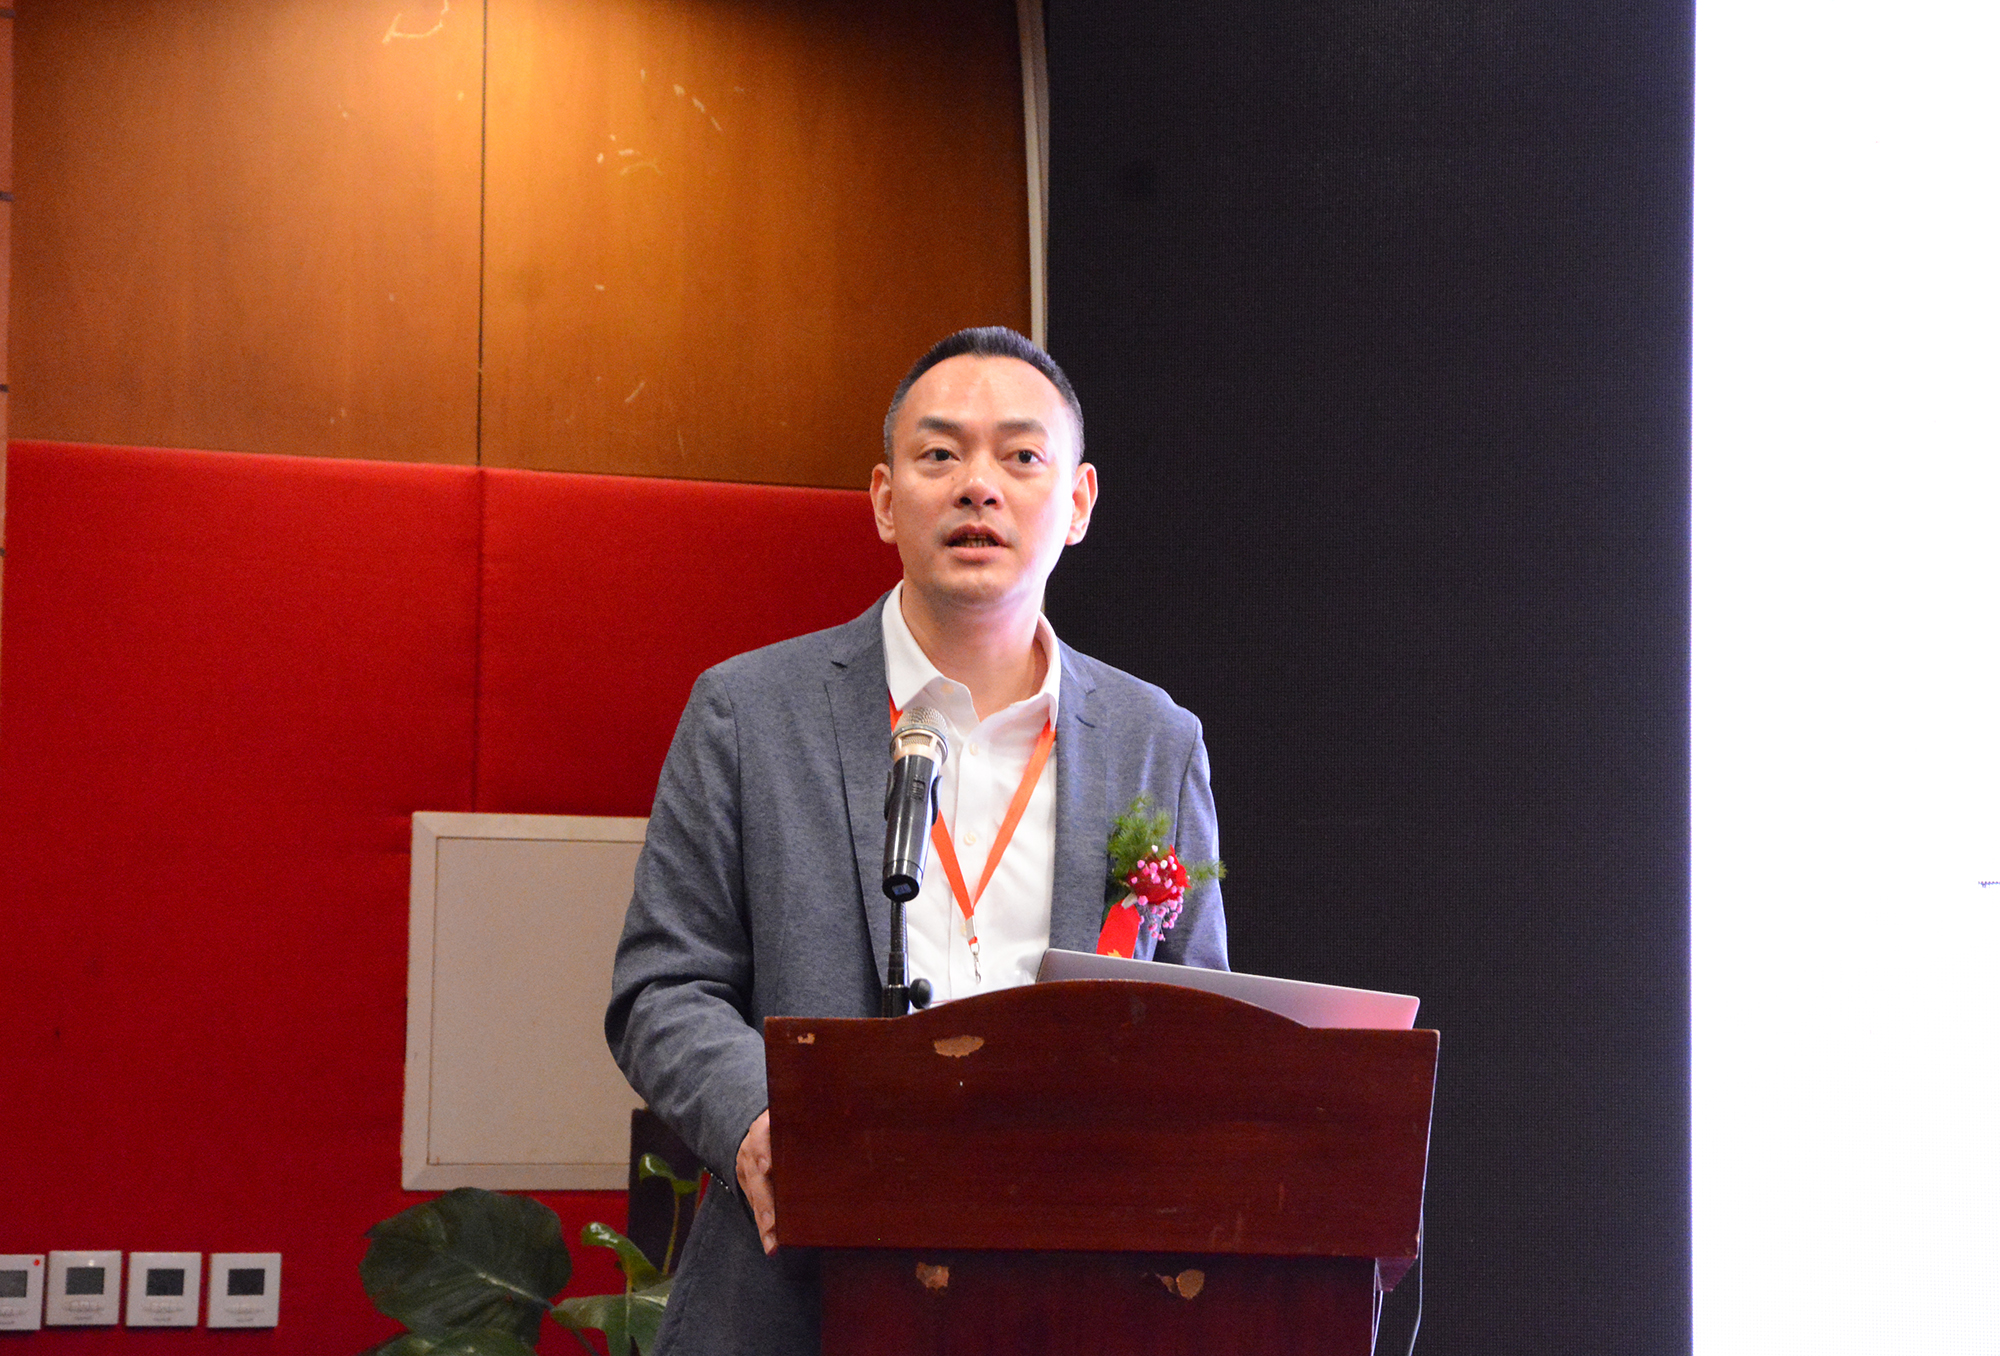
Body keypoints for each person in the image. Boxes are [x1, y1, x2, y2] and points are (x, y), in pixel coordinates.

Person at [606, 326, 1228, 1356]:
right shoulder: (749, 713)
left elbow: (1199, 1023)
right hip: (797, 1295)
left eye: (1020, 456)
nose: (978, 485)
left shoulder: (1153, 740)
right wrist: (763, 1121)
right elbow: (661, 989)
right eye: (939, 453)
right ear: (886, 500)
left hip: (1074, 1294)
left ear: (1076, 504)